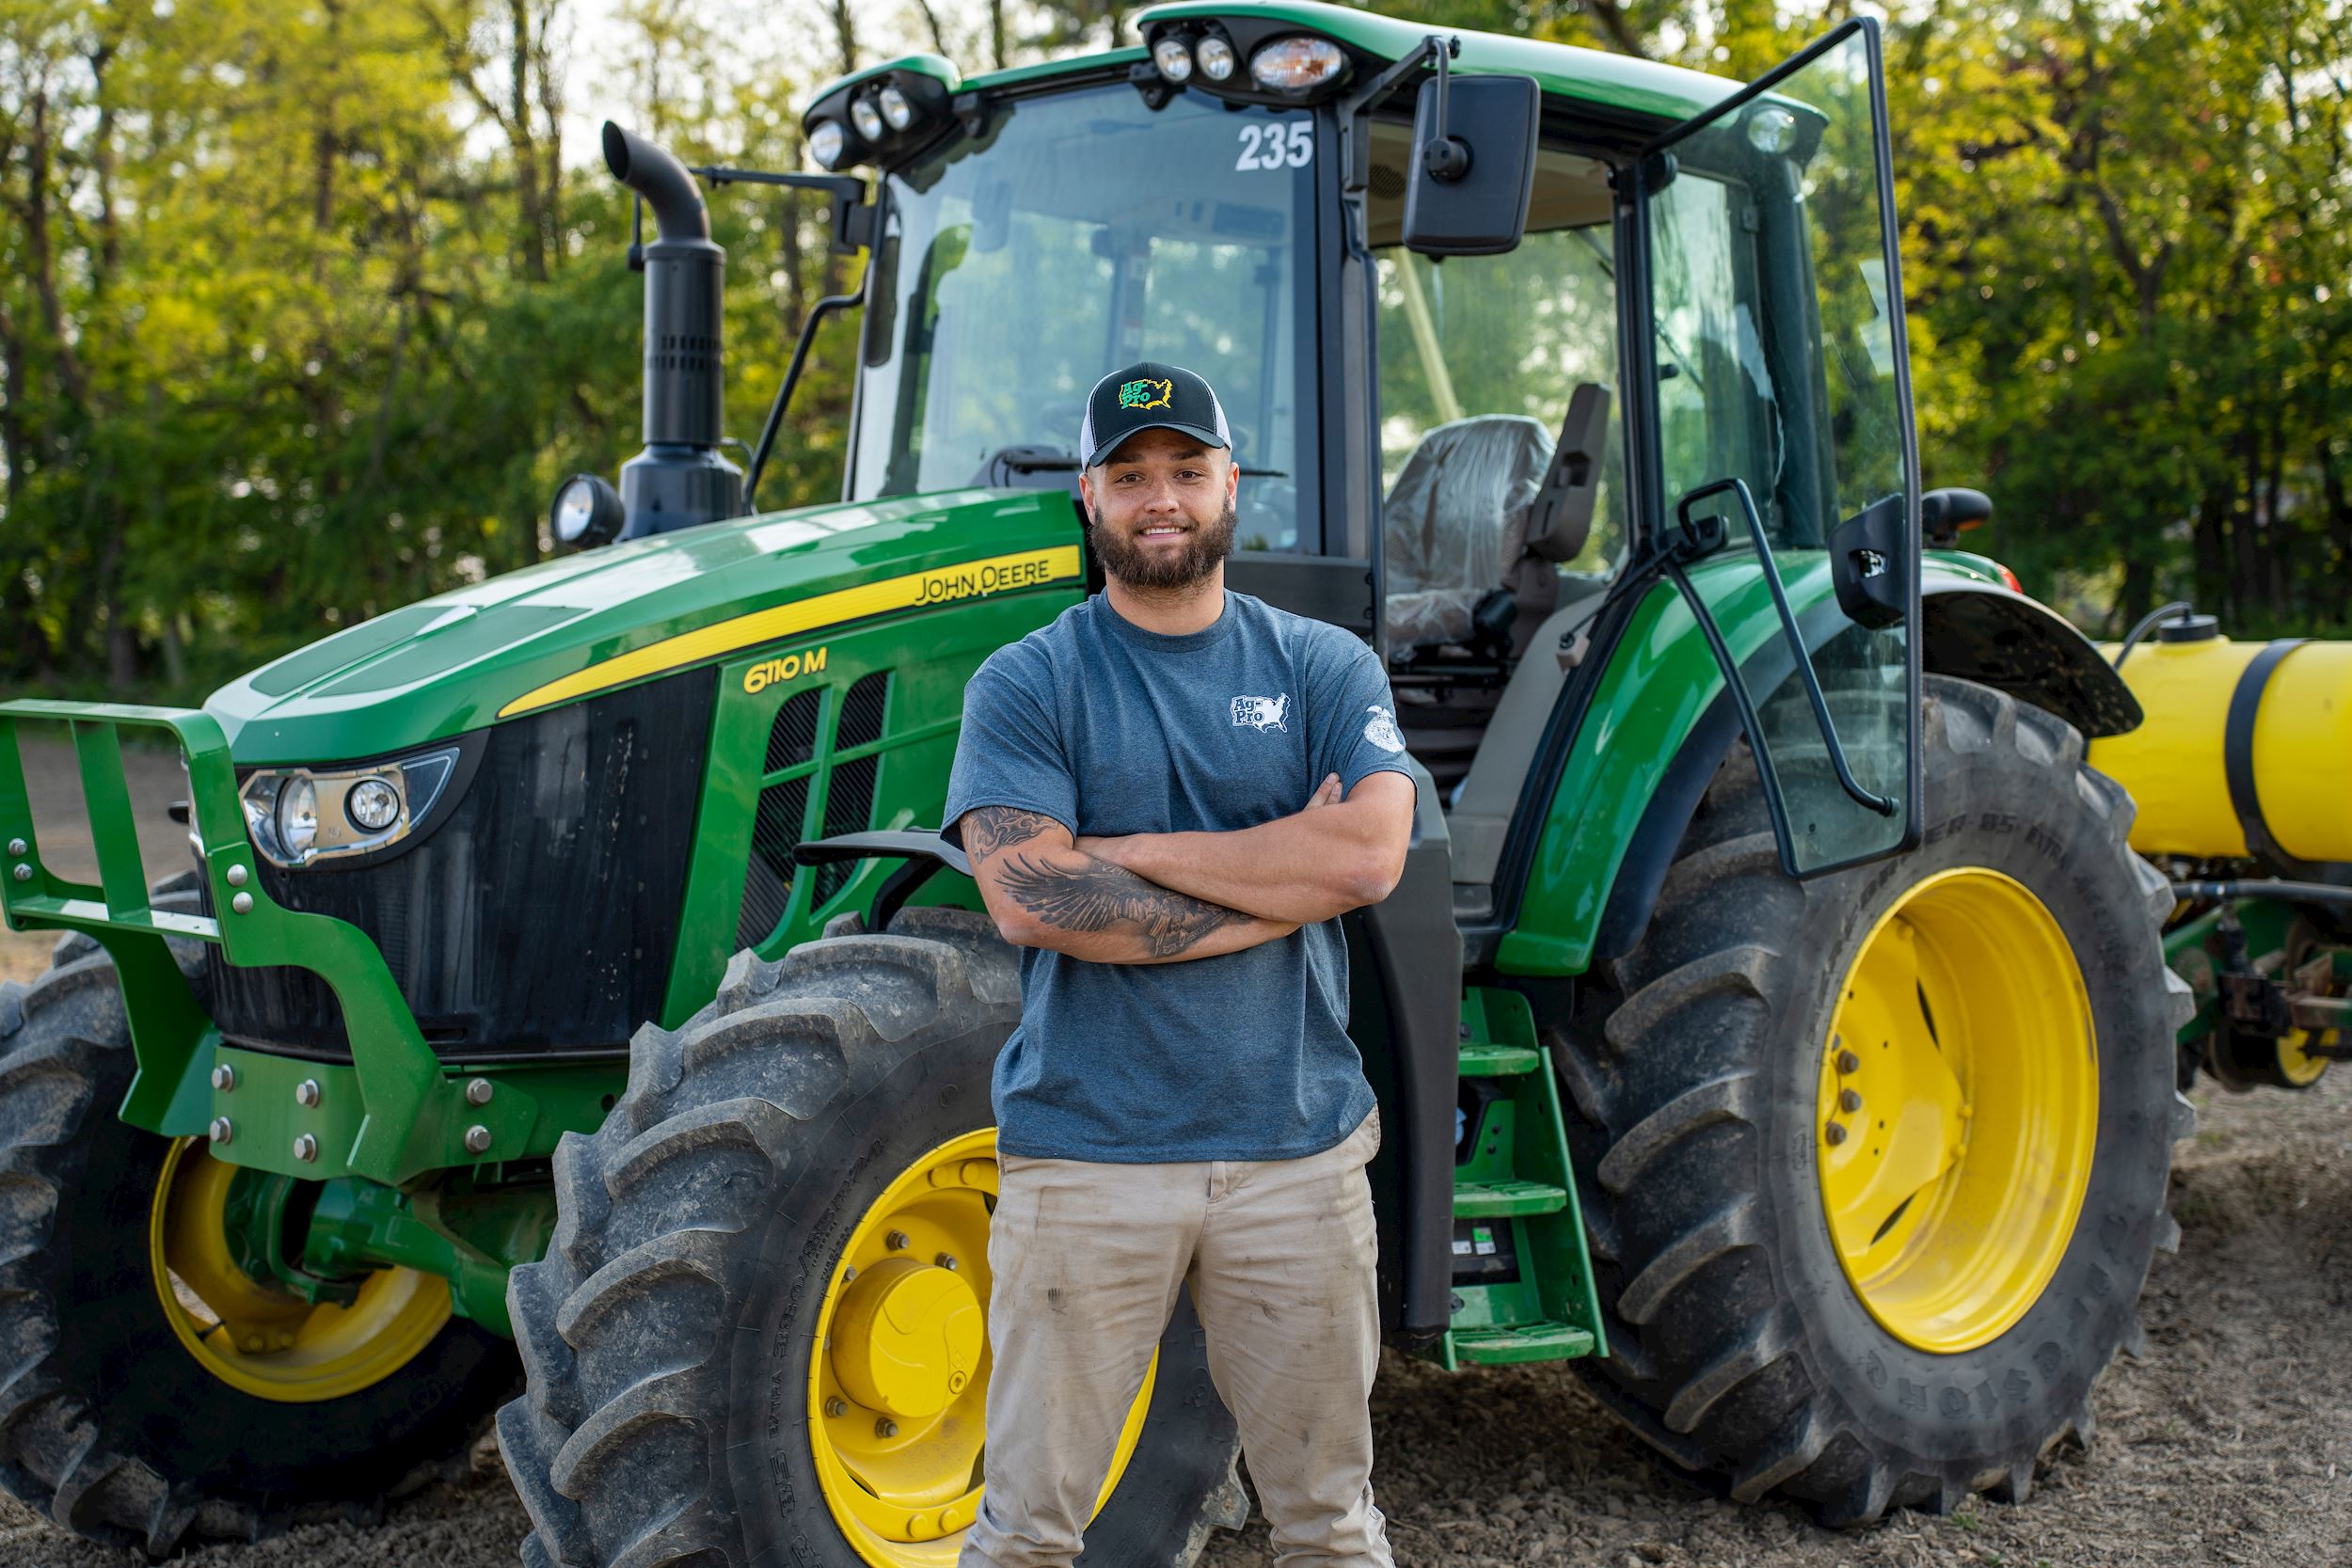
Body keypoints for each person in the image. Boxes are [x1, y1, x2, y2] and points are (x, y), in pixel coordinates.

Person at [943, 360, 1418, 1568]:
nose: (1163, 498)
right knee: (1024, 1531)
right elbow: (1029, 896)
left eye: (1187, 472)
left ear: (1229, 487)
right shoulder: (1029, 679)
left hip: (1295, 1158)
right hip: (1087, 1157)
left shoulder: (1322, 664)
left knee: (1328, 1523)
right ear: (1089, 501)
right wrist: (1277, 882)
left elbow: (1365, 855)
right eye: (1132, 475)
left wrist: (1132, 853)